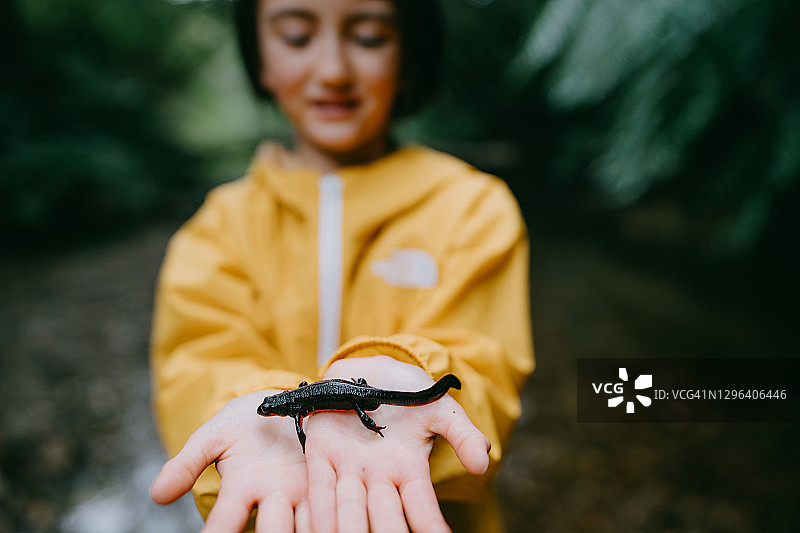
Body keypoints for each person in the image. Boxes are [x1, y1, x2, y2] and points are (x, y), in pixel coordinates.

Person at [149, 0, 534, 531]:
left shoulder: (473, 208)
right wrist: (242, 407)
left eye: (370, 36)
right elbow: (195, 364)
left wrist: (408, 382)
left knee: (416, 396)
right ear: (259, 57)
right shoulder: (214, 230)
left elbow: (487, 368)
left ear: (410, 54)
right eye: (296, 36)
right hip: (278, 514)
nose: (332, 71)